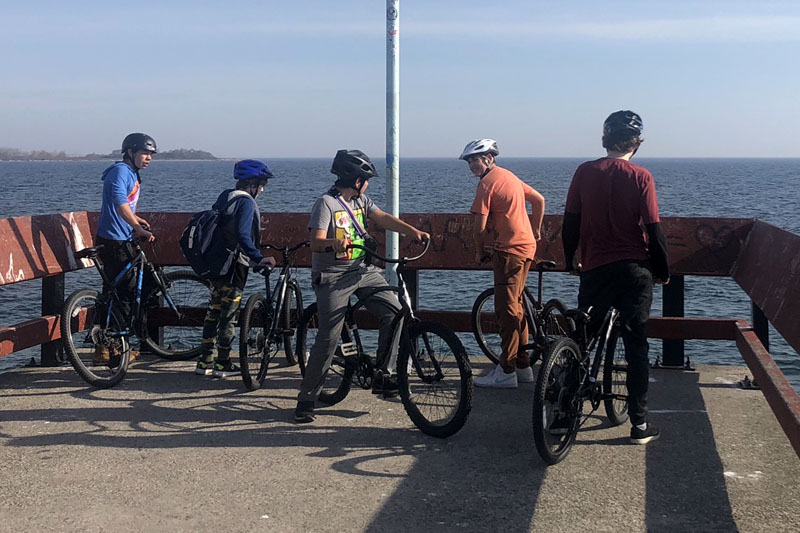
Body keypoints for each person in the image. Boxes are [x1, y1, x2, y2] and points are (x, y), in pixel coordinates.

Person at [294, 149, 430, 423]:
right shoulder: (326, 204)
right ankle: (307, 398)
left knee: (394, 312)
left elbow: (382, 218)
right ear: (356, 179)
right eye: (365, 178)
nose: (367, 183)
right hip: (333, 275)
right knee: (328, 337)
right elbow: (315, 242)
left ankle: (385, 374)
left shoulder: (362, 201)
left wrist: (411, 231)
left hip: (362, 270)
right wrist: (334, 243)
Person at [562, 110, 670, 445]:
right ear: (636, 144)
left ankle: (564, 413)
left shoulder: (584, 172)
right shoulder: (641, 176)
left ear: (605, 139)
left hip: (595, 270)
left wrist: (570, 260)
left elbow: (570, 225)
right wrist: (662, 271)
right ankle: (638, 424)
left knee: (583, 340)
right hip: (634, 271)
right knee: (635, 342)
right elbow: (654, 230)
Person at [463, 139, 545, 388]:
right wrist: (536, 230)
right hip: (526, 247)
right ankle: (523, 366)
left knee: (506, 310)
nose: (472, 166)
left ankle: (506, 370)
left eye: (475, 160)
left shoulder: (487, 184)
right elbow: (539, 200)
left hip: (509, 251)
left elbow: (479, 227)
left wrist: (479, 251)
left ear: (489, 158)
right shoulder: (509, 176)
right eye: (469, 162)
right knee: (517, 305)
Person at [195, 159, 276, 378]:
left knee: (214, 310)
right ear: (252, 183)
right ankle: (223, 363)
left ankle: (204, 361)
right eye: (262, 184)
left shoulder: (226, 196)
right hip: (233, 266)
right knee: (229, 314)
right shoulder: (247, 202)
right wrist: (258, 257)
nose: (263, 188)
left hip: (215, 263)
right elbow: (242, 234)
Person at [93, 132, 158, 364]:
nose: (148, 158)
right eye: (144, 153)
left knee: (114, 291)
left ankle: (104, 347)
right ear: (130, 152)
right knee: (124, 292)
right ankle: (115, 349)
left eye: (151, 154)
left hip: (119, 237)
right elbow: (119, 201)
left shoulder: (131, 172)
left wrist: (135, 219)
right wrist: (137, 228)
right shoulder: (121, 171)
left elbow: (124, 205)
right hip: (114, 240)